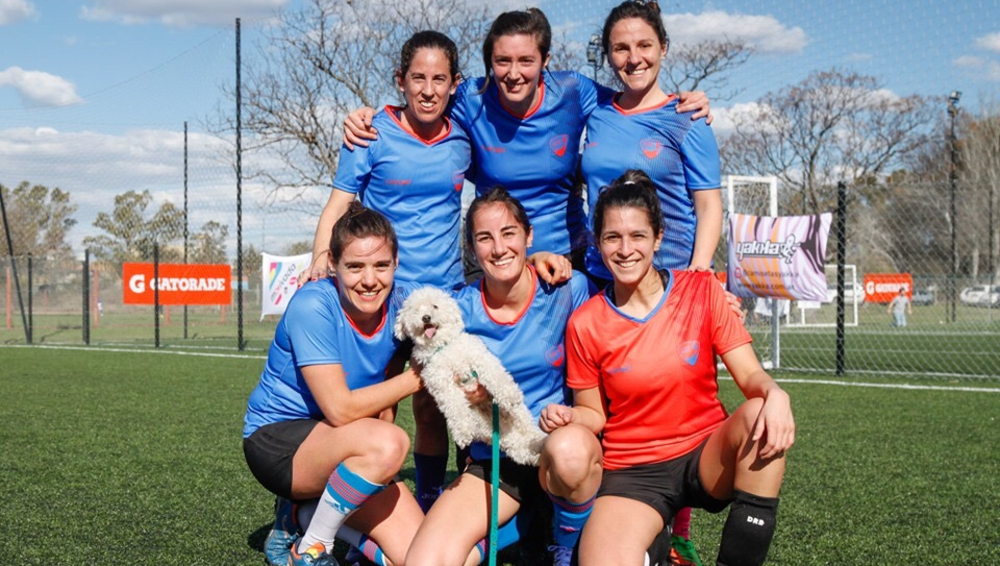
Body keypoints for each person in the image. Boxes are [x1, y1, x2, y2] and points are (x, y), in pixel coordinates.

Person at [342, 10, 710, 513]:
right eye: (502, 61)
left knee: (596, 387)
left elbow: (635, 99)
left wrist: (684, 103)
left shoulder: (575, 92)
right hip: (495, 257)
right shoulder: (470, 98)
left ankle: (592, 498)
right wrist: (371, 115)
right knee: (464, 382)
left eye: (525, 60)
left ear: (546, 61)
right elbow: (423, 98)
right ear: (486, 67)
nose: (513, 72)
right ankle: (469, 484)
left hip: (570, 264)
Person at [557, 171, 795, 566]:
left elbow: (751, 376)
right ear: (598, 243)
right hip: (633, 471)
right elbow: (592, 413)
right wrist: (568, 418)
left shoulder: (702, 290)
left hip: (705, 455)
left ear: (658, 238)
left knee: (761, 416)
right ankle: (655, 544)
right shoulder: (584, 323)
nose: (625, 249)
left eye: (637, 236)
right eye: (612, 237)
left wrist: (775, 392)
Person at [580, 4, 724, 560]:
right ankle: (602, 522)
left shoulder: (688, 118)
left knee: (673, 410)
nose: (633, 58)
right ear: (607, 54)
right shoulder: (593, 108)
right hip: (601, 279)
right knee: (605, 410)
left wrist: (699, 278)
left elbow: (708, 206)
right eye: (620, 48)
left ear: (663, 47)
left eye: (644, 45)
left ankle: (675, 537)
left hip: (672, 288)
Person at [404, 186, 598, 566]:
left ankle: (563, 543)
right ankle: (524, 525)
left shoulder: (568, 288)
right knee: (425, 560)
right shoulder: (457, 310)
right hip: (497, 457)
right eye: (484, 238)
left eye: (509, 233)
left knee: (570, 452)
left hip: (559, 450)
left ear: (529, 236)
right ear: (472, 248)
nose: (498, 248)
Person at [243, 203, 425, 566]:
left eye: (381, 265)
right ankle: (312, 548)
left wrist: (532, 264)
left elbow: (474, 307)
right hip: (279, 444)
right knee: (390, 443)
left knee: (425, 558)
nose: (370, 280)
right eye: (355, 266)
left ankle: (303, 515)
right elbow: (340, 410)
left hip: (351, 444)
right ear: (333, 264)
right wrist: (418, 377)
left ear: (396, 263)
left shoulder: (408, 303)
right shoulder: (313, 304)